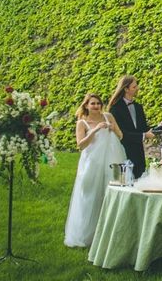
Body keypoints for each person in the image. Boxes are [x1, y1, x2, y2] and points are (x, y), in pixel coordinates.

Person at [64, 93, 126, 247]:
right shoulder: (82, 123)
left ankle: (110, 233)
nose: (96, 106)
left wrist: (112, 128)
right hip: (92, 163)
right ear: (86, 105)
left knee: (110, 193)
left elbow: (120, 135)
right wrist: (95, 130)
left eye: (98, 103)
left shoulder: (108, 116)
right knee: (90, 194)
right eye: (93, 103)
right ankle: (87, 234)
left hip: (111, 159)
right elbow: (81, 145)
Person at [108, 75, 162, 178]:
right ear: (126, 89)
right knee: (125, 179)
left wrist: (159, 126)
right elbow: (121, 133)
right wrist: (144, 135)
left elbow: (144, 128)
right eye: (134, 87)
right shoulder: (115, 108)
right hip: (122, 149)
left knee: (139, 177)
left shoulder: (138, 107)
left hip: (138, 151)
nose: (137, 88)